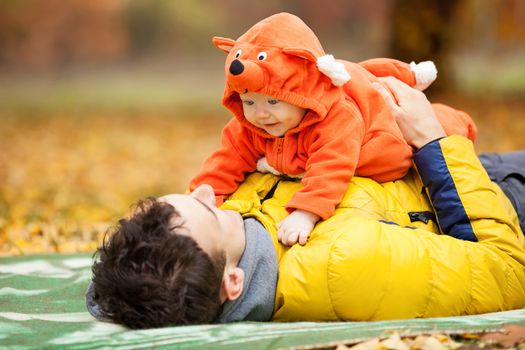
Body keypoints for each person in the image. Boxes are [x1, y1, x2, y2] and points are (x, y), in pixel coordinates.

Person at [86, 76, 525, 329]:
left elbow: (114, 290)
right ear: (232, 283)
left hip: (457, 173)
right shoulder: (346, 268)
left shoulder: (228, 239)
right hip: (498, 200)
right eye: (207, 210)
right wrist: (431, 139)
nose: (205, 191)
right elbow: (508, 270)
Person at [189, 12, 477, 246]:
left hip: (376, 133)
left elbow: (332, 165)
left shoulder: (335, 118)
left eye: (274, 101)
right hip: (327, 127)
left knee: (405, 150)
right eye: (249, 101)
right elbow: (225, 161)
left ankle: (457, 122)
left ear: (302, 93)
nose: (260, 113)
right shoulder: (250, 123)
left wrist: (306, 212)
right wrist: (199, 203)